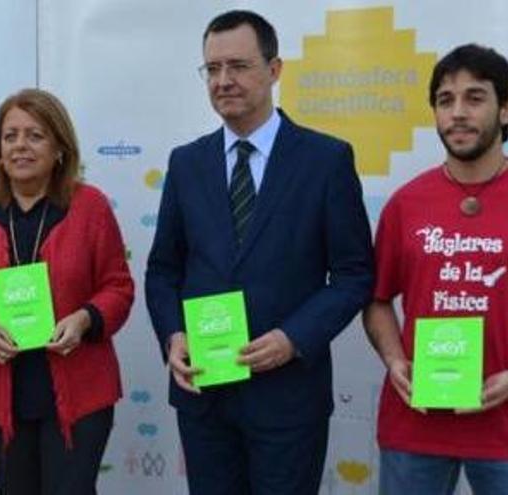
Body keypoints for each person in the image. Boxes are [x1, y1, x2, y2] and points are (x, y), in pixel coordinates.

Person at [145, 10, 374, 495]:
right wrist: (173, 336)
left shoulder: (326, 160)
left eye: (239, 66)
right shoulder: (186, 163)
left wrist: (293, 338)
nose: (223, 81)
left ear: (274, 70)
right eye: (212, 69)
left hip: (288, 398)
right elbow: (163, 270)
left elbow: (354, 275)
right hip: (205, 396)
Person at [0, 88, 134, 495]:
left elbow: (118, 287)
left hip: (80, 395)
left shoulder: (90, 207)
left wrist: (84, 320)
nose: (20, 146)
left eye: (35, 135)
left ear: (60, 147)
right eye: (10, 136)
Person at [363, 44, 508, 495]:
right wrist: (393, 360)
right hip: (416, 426)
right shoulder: (406, 204)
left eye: (474, 97)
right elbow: (377, 299)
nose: (458, 113)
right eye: (446, 101)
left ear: (505, 110)